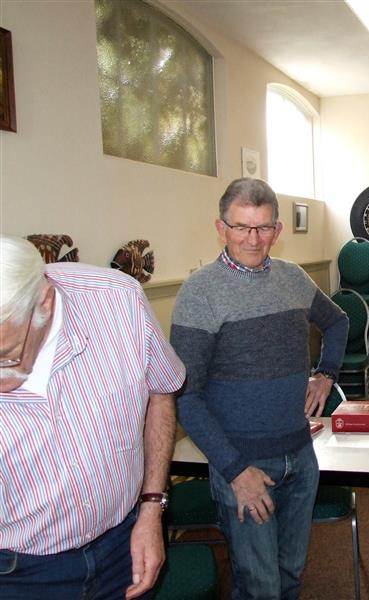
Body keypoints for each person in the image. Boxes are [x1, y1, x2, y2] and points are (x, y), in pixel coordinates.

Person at [170, 178, 348, 599]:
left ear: (277, 230)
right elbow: (186, 397)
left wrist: (326, 374)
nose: (253, 239)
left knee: (289, 577)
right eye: (241, 227)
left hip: (300, 457)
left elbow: (337, 321)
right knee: (259, 587)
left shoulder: (293, 278)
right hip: (243, 465)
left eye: (263, 227)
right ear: (221, 228)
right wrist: (235, 471)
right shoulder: (200, 292)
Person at [0, 236, 186, 599]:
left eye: (6, 357)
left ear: (45, 303)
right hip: (17, 572)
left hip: (123, 546)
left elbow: (160, 392)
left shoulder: (118, 301)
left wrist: (152, 508)